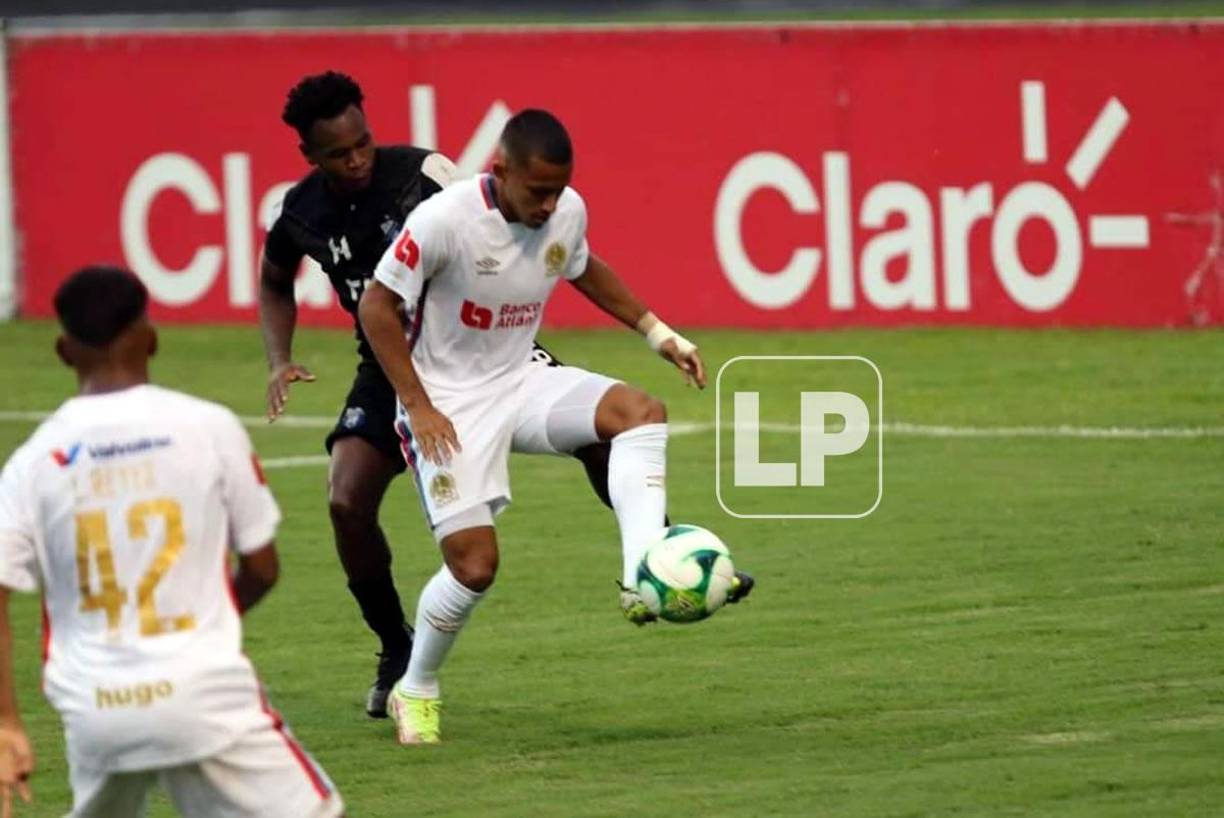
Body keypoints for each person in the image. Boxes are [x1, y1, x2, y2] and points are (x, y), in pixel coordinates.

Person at [359, 109, 754, 746]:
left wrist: (658, 332)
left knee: (640, 412)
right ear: (500, 172)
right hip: (449, 401)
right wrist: (418, 404)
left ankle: (642, 574)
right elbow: (376, 305)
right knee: (475, 567)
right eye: (537, 191)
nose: (550, 204)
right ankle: (418, 686)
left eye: (559, 189)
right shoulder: (443, 221)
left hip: (522, 376)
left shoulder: (566, 210)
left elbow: (581, 265)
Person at [260, 71, 630, 718]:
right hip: (393, 365)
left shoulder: (424, 175)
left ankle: (648, 554)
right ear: (310, 157)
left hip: (482, 348)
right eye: (339, 154)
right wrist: (279, 358)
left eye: (363, 143)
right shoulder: (301, 212)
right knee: (346, 500)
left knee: (600, 428)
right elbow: (273, 281)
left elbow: (503, 227)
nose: (357, 159)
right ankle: (394, 649)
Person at [0, 267, 344, 817]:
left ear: (64, 351)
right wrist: (209, 615)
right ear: (152, 337)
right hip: (201, 690)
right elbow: (262, 567)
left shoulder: (31, 463)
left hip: (96, 709)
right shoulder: (210, 428)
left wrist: (6, 725)